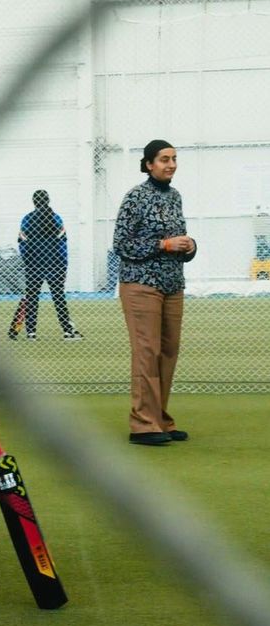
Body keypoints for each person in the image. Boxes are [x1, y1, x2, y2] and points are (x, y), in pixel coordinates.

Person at [113, 139, 197, 446]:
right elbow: (121, 245)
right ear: (149, 164)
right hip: (141, 285)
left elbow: (179, 240)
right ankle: (143, 424)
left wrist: (189, 246)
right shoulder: (135, 197)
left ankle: (160, 417)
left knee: (168, 351)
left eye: (174, 158)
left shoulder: (175, 197)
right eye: (164, 159)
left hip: (173, 284)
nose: (171, 164)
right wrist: (163, 245)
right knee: (147, 352)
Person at [7, 190, 82, 341]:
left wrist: (29, 261)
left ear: (33, 202)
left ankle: (31, 333)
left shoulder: (27, 219)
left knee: (32, 298)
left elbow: (22, 242)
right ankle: (67, 332)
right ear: (48, 200)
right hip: (55, 265)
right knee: (59, 298)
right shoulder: (56, 219)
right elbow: (62, 244)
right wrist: (62, 265)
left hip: (34, 265)